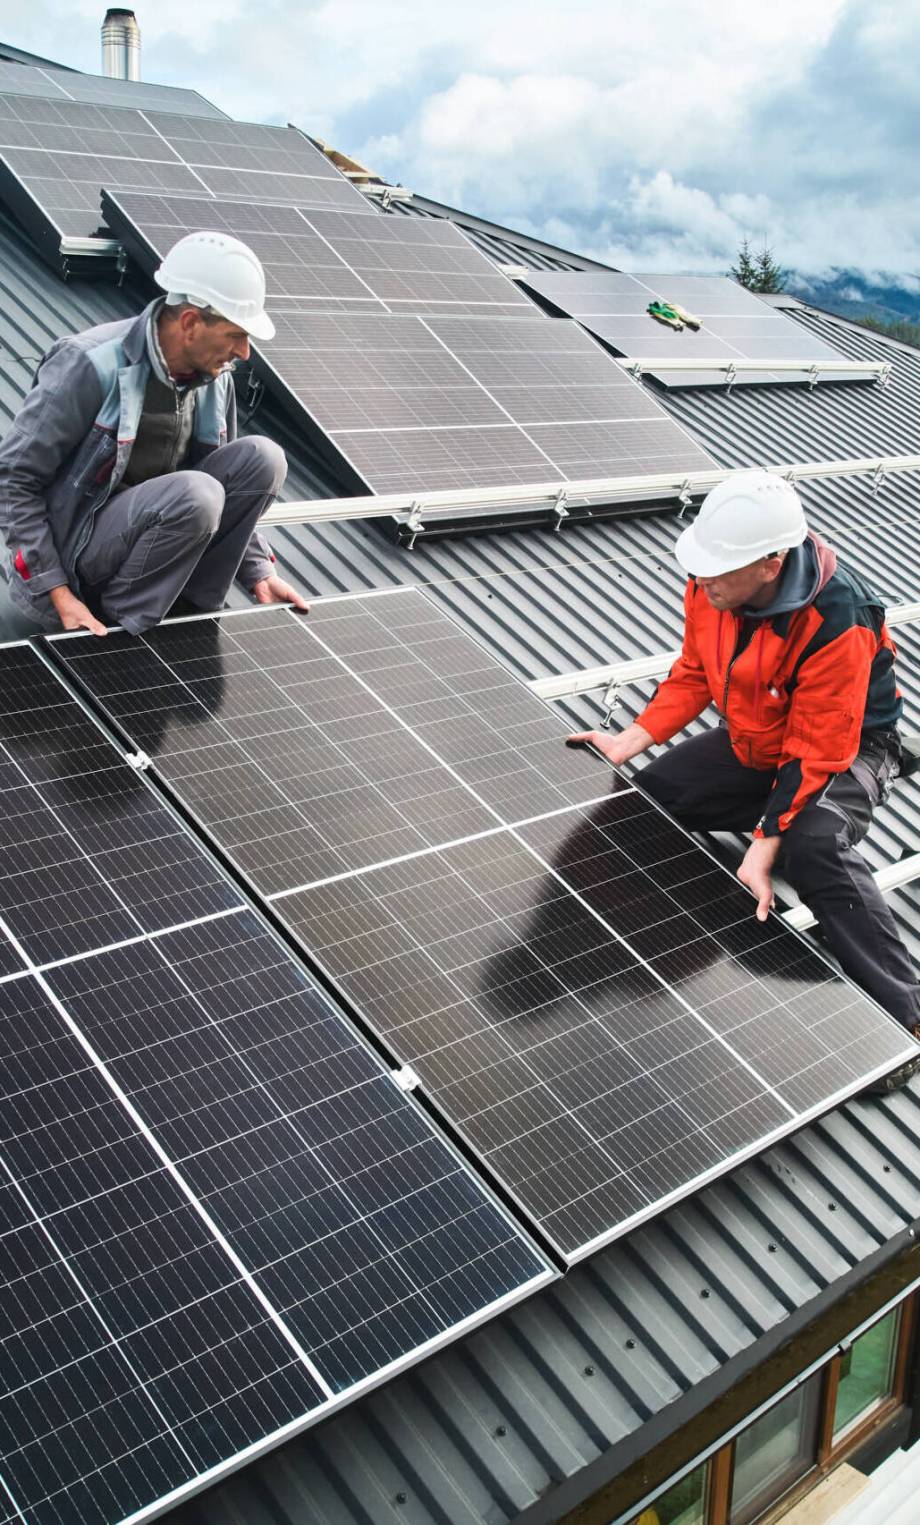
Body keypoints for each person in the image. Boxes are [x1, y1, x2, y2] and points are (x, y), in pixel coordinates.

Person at [569, 469, 920, 1042]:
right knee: (652, 796)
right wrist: (631, 738)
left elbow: (816, 750)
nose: (699, 579)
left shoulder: (837, 619)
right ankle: (777, 829)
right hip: (762, 738)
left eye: (714, 568)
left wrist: (766, 842)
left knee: (812, 846)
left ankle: (907, 1009)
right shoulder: (712, 583)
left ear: (771, 565)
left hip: (849, 746)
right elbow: (692, 672)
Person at [0, 230, 307, 636]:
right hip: (80, 550)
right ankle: (129, 628)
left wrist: (257, 570)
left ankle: (193, 603)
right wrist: (57, 592)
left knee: (263, 459)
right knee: (197, 493)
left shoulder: (217, 379)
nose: (244, 352)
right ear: (191, 322)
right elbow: (14, 480)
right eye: (236, 334)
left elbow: (235, 490)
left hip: (162, 529)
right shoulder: (89, 364)